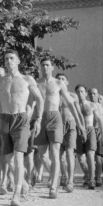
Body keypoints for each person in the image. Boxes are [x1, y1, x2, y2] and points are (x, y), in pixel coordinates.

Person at [0, 50, 44, 206]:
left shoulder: (26, 79)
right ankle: (23, 183)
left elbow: (39, 99)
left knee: (18, 157)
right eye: (6, 59)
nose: (9, 61)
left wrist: (38, 119)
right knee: (8, 160)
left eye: (12, 58)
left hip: (21, 118)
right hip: (4, 118)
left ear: (18, 61)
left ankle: (16, 194)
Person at [34, 58, 85, 198]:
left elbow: (70, 103)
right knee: (42, 155)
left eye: (47, 65)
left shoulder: (58, 83)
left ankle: (53, 186)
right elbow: (30, 103)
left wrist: (80, 124)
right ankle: (56, 174)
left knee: (55, 152)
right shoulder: (36, 83)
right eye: (43, 65)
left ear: (52, 68)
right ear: (40, 67)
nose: (45, 67)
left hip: (55, 117)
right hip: (41, 118)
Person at [75, 85, 103, 190]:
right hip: (78, 131)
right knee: (81, 158)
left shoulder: (92, 105)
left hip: (90, 129)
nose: (80, 94)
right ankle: (88, 174)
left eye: (82, 91)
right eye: (78, 92)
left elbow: (99, 119)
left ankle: (91, 180)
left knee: (91, 155)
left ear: (85, 93)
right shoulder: (74, 105)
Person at [55, 74, 80, 192]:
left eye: (63, 79)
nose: (60, 81)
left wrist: (82, 126)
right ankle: (64, 175)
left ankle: (70, 180)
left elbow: (78, 112)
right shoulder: (55, 95)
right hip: (58, 125)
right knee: (59, 155)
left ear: (67, 82)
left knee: (70, 152)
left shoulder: (73, 96)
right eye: (58, 79)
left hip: (71, 124)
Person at [88, 88, 103, 187]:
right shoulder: (87, 104)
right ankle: (90, 176)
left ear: (98, 95)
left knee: (98, 156)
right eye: (90, 93)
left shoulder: (100, 106)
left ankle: (98, 177)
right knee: (88, 156)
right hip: (89, 131)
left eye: (94, 93)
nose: (92, 95)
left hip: (99, 132)